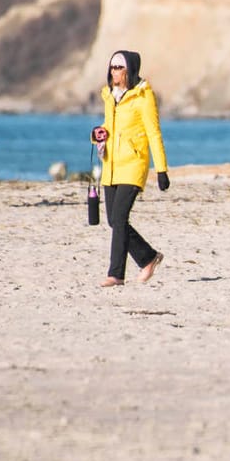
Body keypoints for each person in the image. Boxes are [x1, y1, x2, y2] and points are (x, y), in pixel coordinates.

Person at [92, 50, 169, 287]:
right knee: (115, 222)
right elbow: (109, 126)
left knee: (120, 217)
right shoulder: (109, 96)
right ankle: (148, 257)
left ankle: (115, 274)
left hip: (134, 164)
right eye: (112, 66)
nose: (114, 71)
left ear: (130, 69)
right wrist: (98, 135)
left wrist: (162, 170)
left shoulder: (143, 96)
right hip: (111, 165)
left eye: (119, 67)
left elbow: (153, 133)